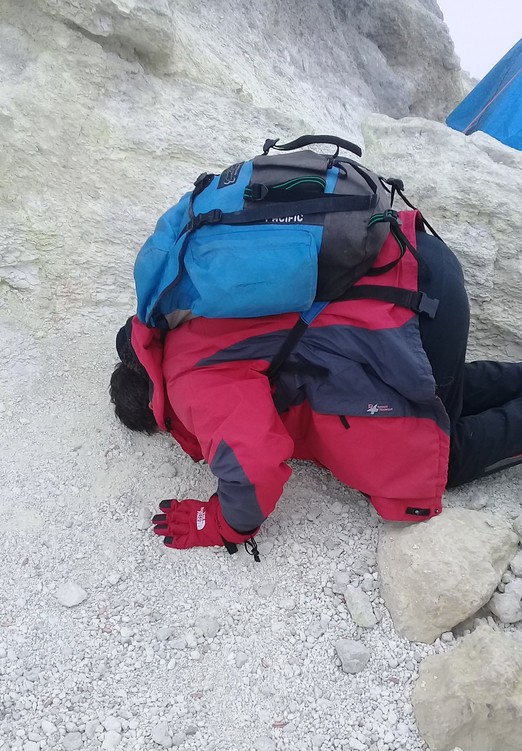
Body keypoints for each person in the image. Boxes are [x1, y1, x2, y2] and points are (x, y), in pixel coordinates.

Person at [110, 208, 522, 557]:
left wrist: (221, 522)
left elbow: (252, 465)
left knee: (439, 460)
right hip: (408, 258)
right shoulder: (180, 315)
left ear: (153, 406)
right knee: (437, 393)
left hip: (410, 309)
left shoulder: (187, 381)